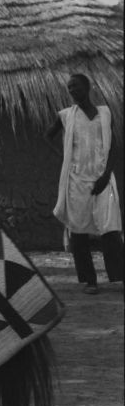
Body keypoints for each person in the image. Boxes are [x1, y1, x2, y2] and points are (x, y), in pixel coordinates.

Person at [45, 73, 124, 294]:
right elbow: (47, 136)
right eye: (69, 88)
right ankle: (90, 281)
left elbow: (113, 146)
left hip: (103, 178)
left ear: (87, 87)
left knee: (110, 227)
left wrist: (107, 174)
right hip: (76, 180)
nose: (73, 91)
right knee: (78, 231)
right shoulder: (66, 116)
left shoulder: (105, 114)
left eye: (76, 86)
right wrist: (65, 158)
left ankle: (119, 276)